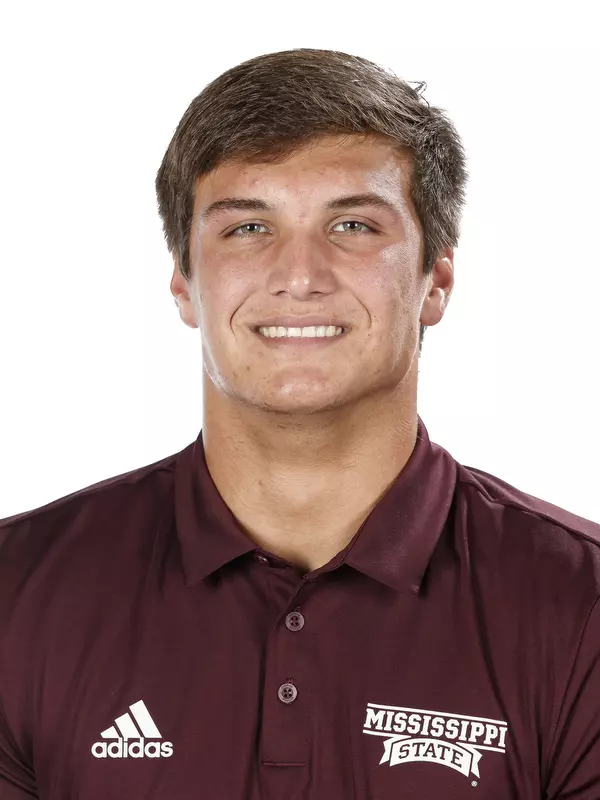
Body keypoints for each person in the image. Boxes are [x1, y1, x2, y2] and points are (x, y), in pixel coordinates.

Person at [0, 47, 598, 800]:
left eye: (352, 224)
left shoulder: (582, 608)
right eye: (248, 229)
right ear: (185, 282)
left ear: (436, 281)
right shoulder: (17, 593)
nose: (300, 275)